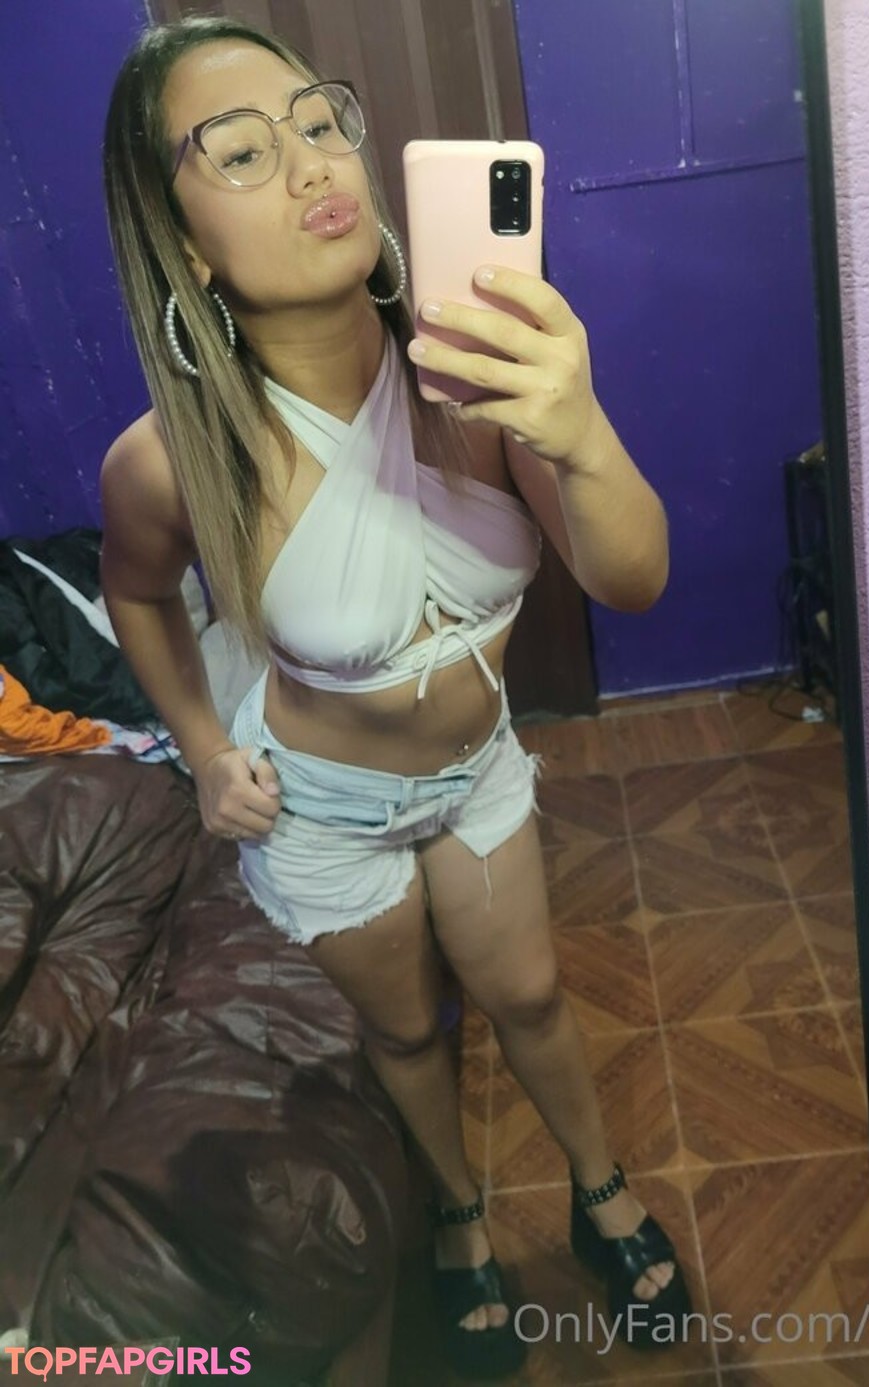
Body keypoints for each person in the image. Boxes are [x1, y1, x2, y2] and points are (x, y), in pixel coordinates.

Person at [99, 15, 686, 1378]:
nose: (314, 162)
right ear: (184, 243)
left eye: (320, 122)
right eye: (243, 150)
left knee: (530, 996)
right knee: (408, 1028)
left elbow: (634, 579)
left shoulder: (473, 374)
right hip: (320, 807)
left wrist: (580, 430)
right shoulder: (173, 460)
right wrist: (203, 749)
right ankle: (460, 1216)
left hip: (476, 771)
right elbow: (137, 595)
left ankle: (601, 1191)